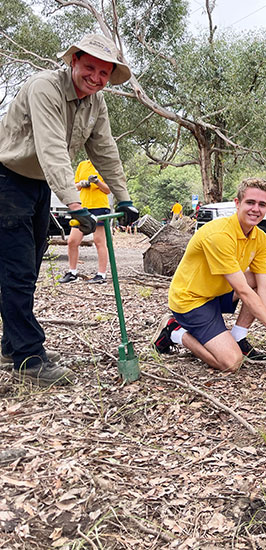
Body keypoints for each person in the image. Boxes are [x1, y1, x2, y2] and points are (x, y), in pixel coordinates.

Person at [0, 34, 139, 387]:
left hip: (37, 184)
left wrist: (124, 199)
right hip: (6, 178)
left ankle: (11, 343)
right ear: (73, 60)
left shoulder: (95, 103)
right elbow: (52, 150)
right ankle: (29, 358)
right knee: (15, 268)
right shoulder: (44, 87)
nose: (96, 77)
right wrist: (75, 206)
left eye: (104, 73)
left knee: (29, 265)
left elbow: (104, 150)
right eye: (89, 67)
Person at [152, 177, 266, 373]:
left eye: (262, 204)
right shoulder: (220, 235)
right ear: (237, 203)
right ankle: (174, 332)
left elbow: (264, 287)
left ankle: (238, 337)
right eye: (250, 202)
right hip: (192, 300)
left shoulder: (261, 238)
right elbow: (243, 290)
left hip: (218, 291)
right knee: (231, 362)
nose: (255, 209)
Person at [60, 160, 111, 284]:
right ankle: (72, 273)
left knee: (99, 241)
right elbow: (74, 186)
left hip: (99, 206)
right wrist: (82, 184)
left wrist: (97, 181)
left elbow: (108, 190)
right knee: (72, 241)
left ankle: (101, 275)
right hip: (83, 207)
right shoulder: (82, 165)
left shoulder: (105, 163)